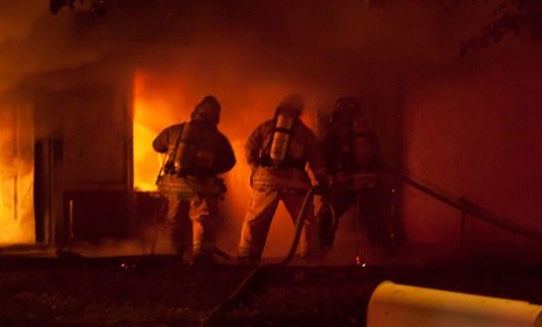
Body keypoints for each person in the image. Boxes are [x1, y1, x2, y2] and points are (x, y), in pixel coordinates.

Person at [237, 94, 329, 261]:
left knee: (256, 218)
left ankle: (246, 254)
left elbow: (250, 146)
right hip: (295, 183)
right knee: (305, 220)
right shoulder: (305, 133)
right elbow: (317, 161)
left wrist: (256, 168)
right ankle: (308, 254)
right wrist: (323, 183)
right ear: (298, 112)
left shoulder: (266, 127)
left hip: (266, 180)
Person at [152, 96, 236, 265]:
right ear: (216, 118)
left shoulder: (174, 130)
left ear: (194, 113)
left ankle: (174, 255)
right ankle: (201, 256)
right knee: (202, 219)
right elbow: (229, 161)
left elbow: (156, 145)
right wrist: (211, 170)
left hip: (175, 185)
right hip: (203, 187)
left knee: (174, 219)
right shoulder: (218, 138)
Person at [318, 97, 394, 253]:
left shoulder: (332, 134)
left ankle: (321, 254)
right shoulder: (367, 132)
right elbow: (378, 157)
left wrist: (329, 180)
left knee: (327, 217)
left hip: (344, 184)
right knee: (376, 221)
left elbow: (323, 160)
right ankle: (384, 258)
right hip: (368, 183)